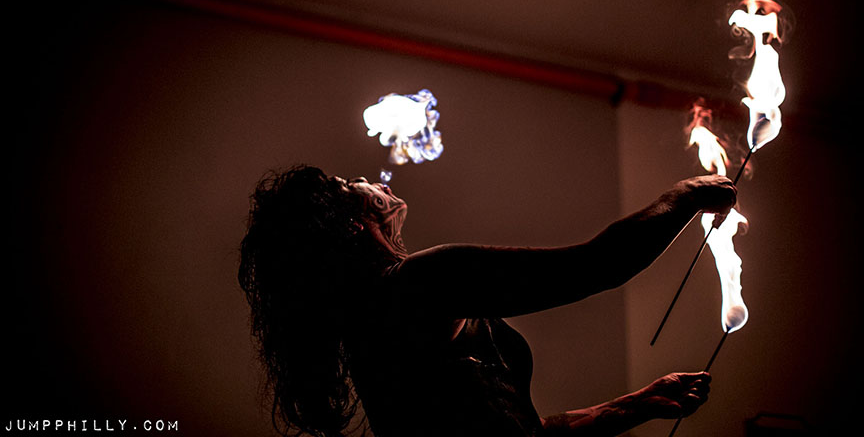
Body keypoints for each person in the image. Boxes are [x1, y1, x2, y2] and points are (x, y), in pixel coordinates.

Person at [238, 165, 736, 437]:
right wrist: (685, 196)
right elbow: (594, 267)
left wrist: (635, 404)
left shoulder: (379, 316)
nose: (368, 178)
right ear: (348, 223)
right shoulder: (420, 283)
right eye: (350, 184)